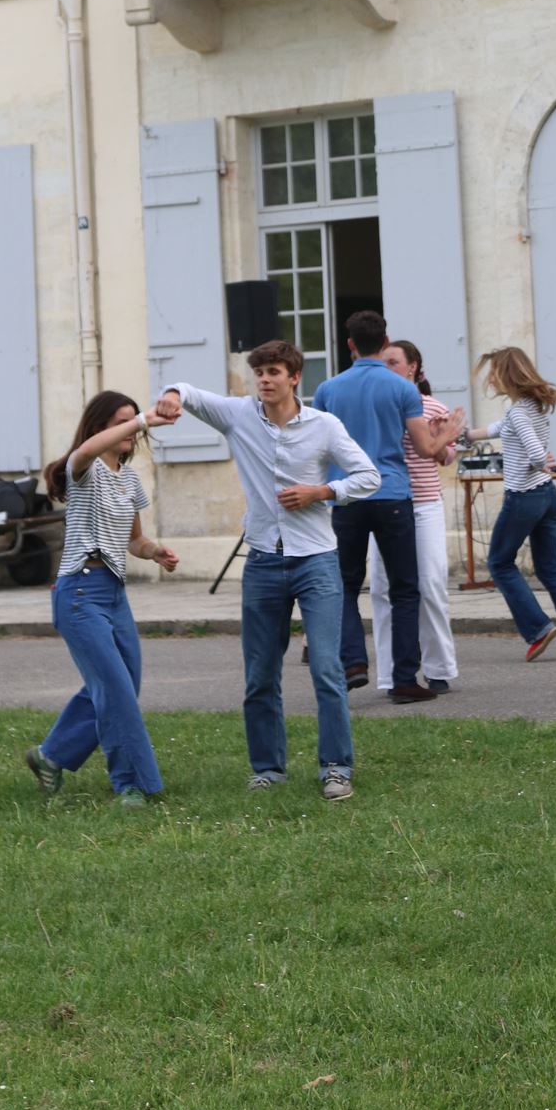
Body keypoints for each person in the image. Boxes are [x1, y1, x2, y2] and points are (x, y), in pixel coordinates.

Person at [156, 342, 380, 799]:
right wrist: (172, 395)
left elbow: (369, 476)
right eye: (258, 372)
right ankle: (268, 769)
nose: (264, 379)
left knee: (326, 668)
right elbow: (189, 392)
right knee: (259, 674)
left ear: (294, 377)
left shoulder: (324, 425)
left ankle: (336, 768)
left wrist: (321, 492)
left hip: (316, 560)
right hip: (262, 560)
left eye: (273, 371)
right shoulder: (239, 415)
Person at [26, 391, 181, 807]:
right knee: (115, 690)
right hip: (78, 593)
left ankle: (50, 756)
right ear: (99, 428)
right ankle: (131, 784)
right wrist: (144, 419)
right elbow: (85, 450)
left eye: (133, 421)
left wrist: (156, 552)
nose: (131, 429)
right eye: (121, 422)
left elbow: (134, 540)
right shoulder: (84, 468)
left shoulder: (129, 480)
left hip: (113, 592)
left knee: (122, 684)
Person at [313, 311, 464, 705]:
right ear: (384, 343)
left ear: (349, 344)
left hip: (346, 497)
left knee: (345, 585)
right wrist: (449, 433)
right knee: (405, 590)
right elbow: (427, 449)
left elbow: (318, 446)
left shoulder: (328, 389)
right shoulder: (402, 389)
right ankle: (404, 680)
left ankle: (353, 661)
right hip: (392, 495)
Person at [463, 347, 556, 662]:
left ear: (506, 375)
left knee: (499, 563)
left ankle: (538, 628)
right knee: (551, 570)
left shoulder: (519, 413)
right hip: (547, 496)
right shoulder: (529, 407)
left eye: (493, 373)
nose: (490, 380)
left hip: (523, 497)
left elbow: (535, 452)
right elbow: (496, 429)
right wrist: (463, 435)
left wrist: (538, 462)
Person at [368, 339, 459, 694]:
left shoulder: (431, 405)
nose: (386, 368)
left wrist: (438, 441)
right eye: (383, 362)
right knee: (382, 588)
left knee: (431, 584)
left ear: (413, 367)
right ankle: (391, 672)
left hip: (423, 505)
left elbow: (447, 457)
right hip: (384, 503)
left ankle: (439, 668)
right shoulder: (377, 404)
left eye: (393, 362)